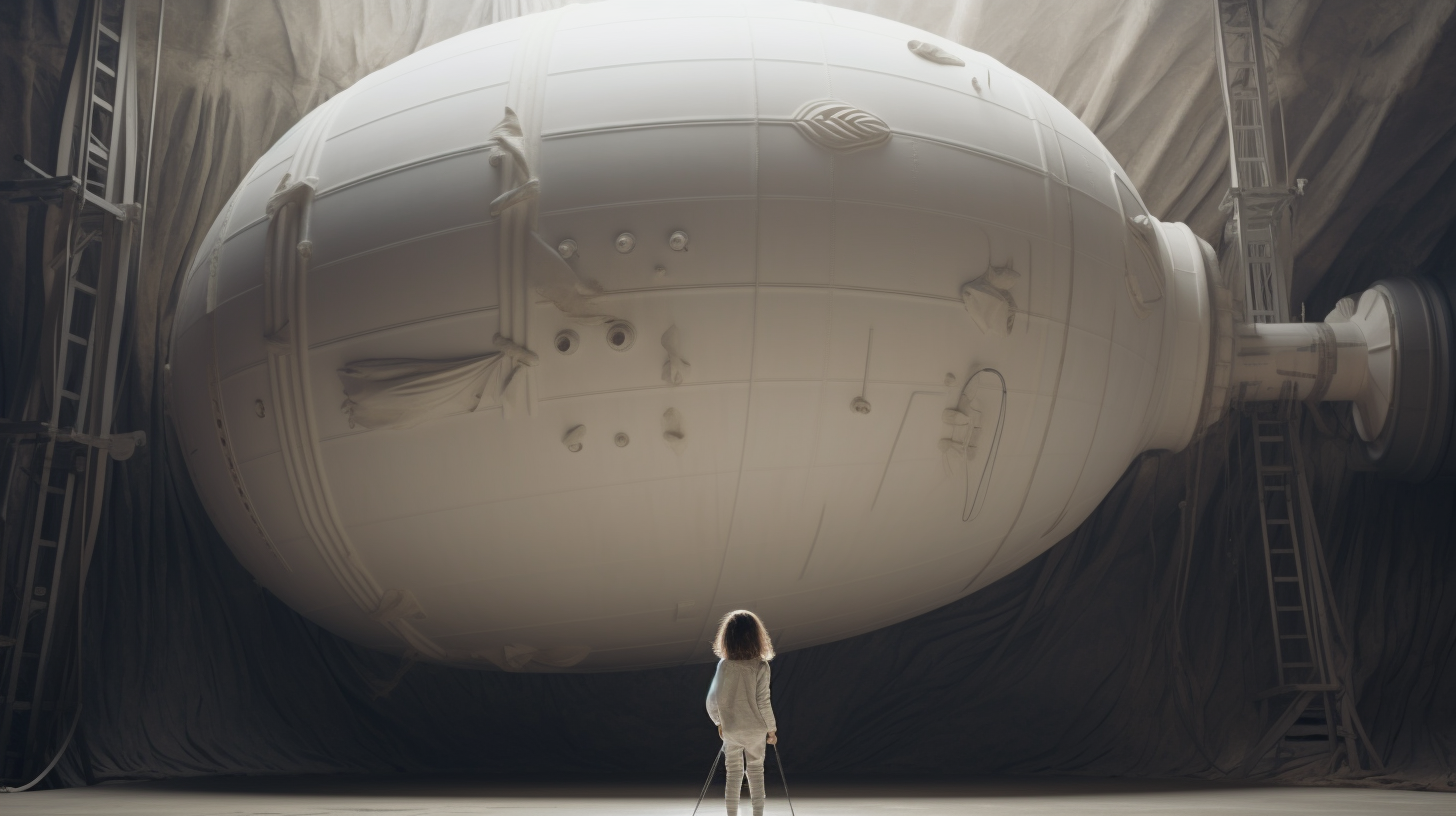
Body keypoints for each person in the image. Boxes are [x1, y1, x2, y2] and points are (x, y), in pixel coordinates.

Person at [705, 610, 778, 816]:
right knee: (756, 771)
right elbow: (764, 702)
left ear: (727, 637)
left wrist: (719, 722)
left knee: (733, 774)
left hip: (732, 729)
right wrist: (771, 730)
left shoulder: (724, 666)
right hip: (756, 730)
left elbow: (712, 700)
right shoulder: (761, 666)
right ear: (757, 637)